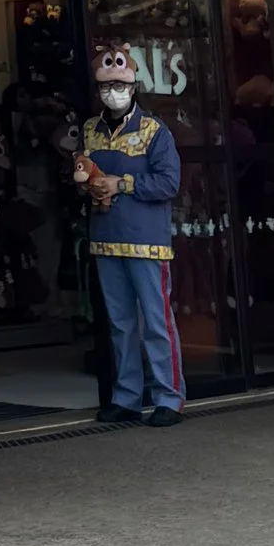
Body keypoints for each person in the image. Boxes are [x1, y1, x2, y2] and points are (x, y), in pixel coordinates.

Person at [76, 42, 184, 424]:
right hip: (105, 236)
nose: (113, 92)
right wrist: (88, 183)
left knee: (156, 322)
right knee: (120, 323)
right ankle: (126, 396)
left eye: (119, 84)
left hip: (148, 241)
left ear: (134, 86)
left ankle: (169, 398)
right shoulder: (89, 129)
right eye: (106, 86)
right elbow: (84, 171)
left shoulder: (155, 131)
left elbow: (169, 182)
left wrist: (121, 184)